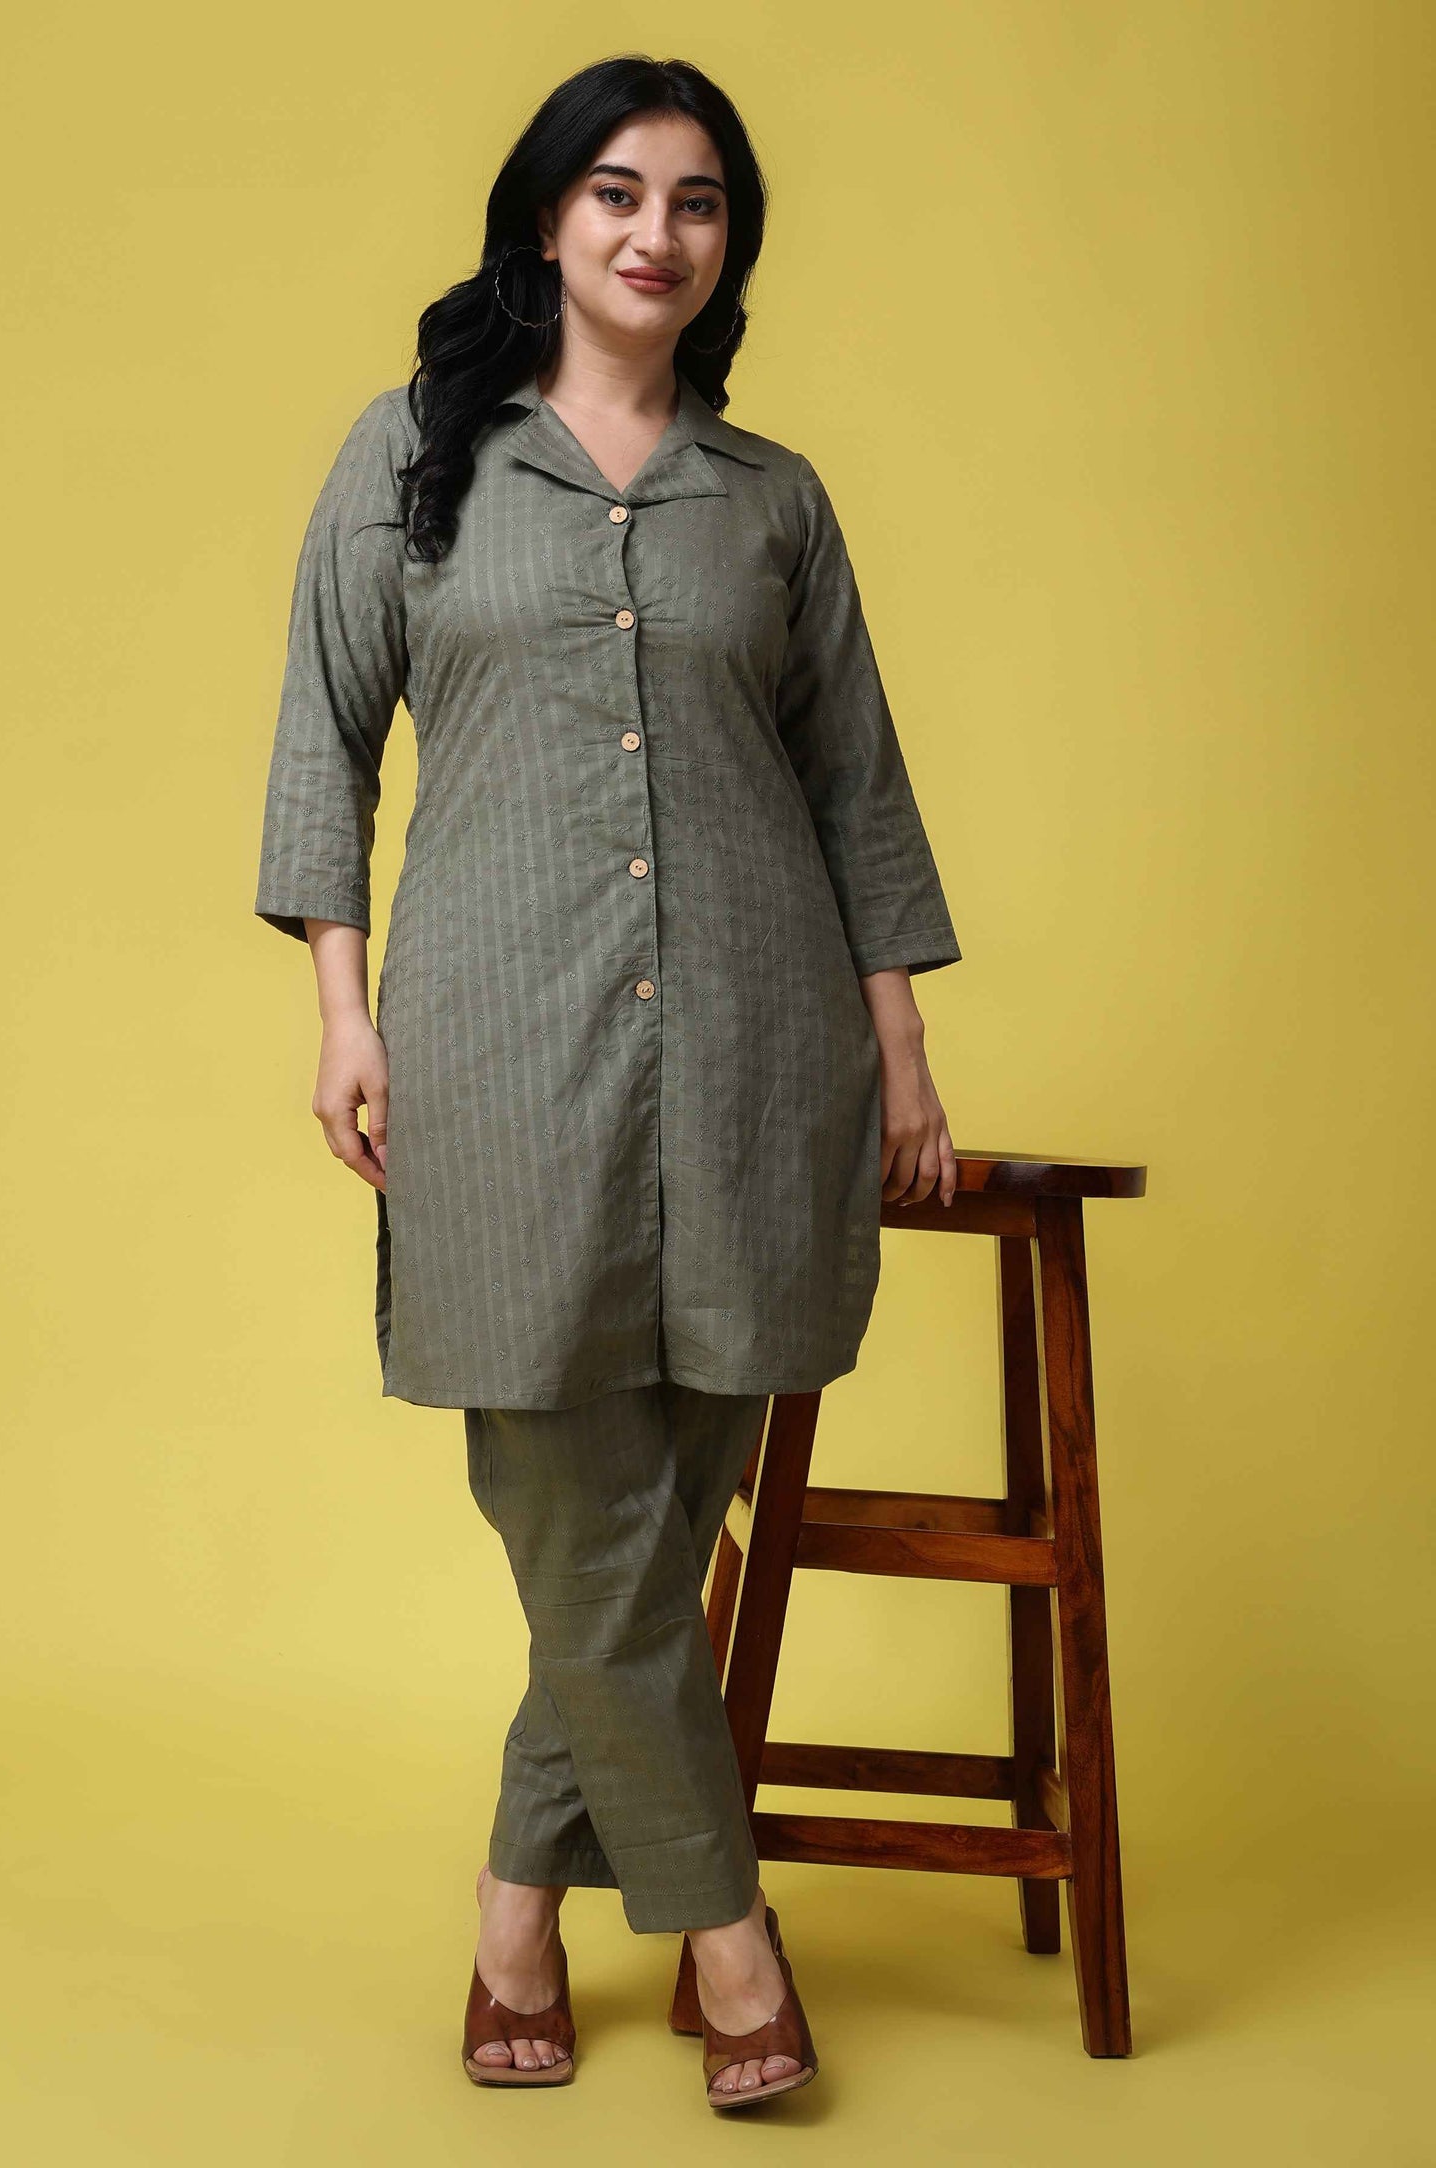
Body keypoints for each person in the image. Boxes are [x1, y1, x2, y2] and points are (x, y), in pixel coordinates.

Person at [254, 53, 962, 2111]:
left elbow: (854, 784)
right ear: (549, 218)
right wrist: (343, 1008)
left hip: (760, 1059)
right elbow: (323, 733)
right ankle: (731, 1940)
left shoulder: (773, 501)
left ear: (730, 244)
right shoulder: (415, 458)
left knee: (641, 1547)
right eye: (620, 192)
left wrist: (902, 1049)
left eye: (699, 202)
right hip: (498, 1051)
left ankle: (514, 1913)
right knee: (579, 1515)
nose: (659, 232)